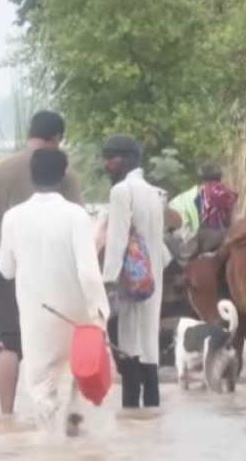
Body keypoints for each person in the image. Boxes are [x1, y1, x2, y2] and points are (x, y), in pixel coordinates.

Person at [0, 111, 83, 416]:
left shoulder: (0, 169)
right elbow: (79, 224)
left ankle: (6, 416)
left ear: (29, 133)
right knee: (58, 344)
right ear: (57, 138)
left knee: (8, 343)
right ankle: (56, 415)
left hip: (6, 269)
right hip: (53, 271)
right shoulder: (65, 173)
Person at [0, 149, 109, 435]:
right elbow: (88, 272)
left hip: (36, 320)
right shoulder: (76, 216)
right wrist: (101, 313)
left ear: (32, 176)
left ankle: (47, 442)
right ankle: (73, 433)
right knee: (76, 380)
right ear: (63, 176)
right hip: (75, 318)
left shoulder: (12, 218)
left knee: (42, 390)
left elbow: (4, 269)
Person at [101, 134, 166, 409]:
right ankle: (149, 425)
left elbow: (116, 242)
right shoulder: (153, 192)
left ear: (125, 159)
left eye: (110, 158)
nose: (106, 165)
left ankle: (131, 417)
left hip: (130, 282)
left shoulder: (121, 192)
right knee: (148, 347)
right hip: (152, 281)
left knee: (127, 346)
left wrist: (107, 283)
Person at [193, 163, 237, 254]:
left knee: (184, 259)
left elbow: (200, 213)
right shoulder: (230, 194)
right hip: (227, 234)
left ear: (203, 178)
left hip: (206, 235)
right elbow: (232, 218)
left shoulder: (202, 191)